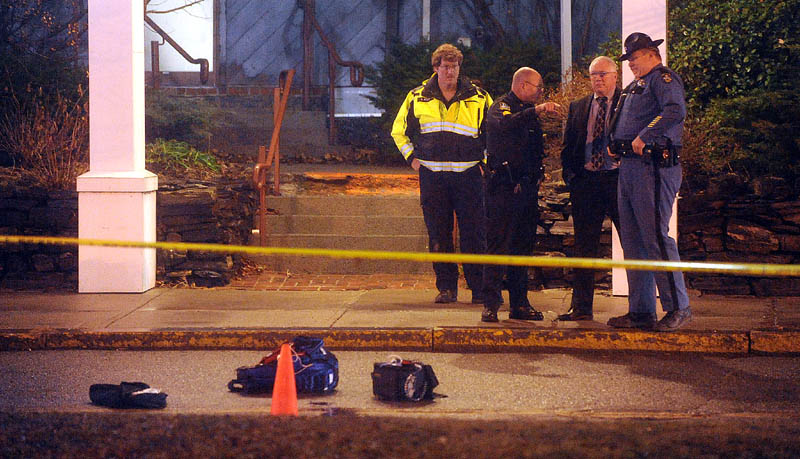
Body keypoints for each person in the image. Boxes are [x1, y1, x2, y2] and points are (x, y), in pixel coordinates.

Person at [391, 43, 492, 304]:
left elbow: (495, 132)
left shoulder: (479, 97)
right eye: (445, 67)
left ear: (460, 68)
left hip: (468, 176)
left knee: (474, 234)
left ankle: (479, 289)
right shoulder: (417, 96)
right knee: (438, 234)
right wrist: (412, 158)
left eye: (454, 66)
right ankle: (446, 288)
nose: (450, 72)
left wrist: (484, 161)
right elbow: (398, 131)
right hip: (433, 177)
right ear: (436, 68)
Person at [607, 32, 692, 331]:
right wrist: (613, 141)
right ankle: (641, 311)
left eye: (634, 56)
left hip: (653, 167)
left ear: (651, 53)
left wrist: (644, 136)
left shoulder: (663, 78)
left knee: (655, 237)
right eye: (628, 58)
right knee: (633, 243)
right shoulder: (637, 84)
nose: (630, 62)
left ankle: (678, 307)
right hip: (630, 168)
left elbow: (674, 111)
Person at [480, 67, 562, 322]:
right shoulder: (501, 106)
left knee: (522, 249)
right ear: (523, 85)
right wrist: (535, 110)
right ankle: (490, 305)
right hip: (503, 189)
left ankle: (519, 305)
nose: (540, 93)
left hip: (526, 190)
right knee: (497, 247)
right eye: (537, 87)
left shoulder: (527, 114)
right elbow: (504, 125)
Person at [558, 56, 621, 321]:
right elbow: (569, 145)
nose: (598, 79)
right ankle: (581, 307)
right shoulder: (579, 106)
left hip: (618, 181)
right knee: (584, 247)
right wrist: (572, 177)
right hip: (586, 183)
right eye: (594, 74)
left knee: (632, 243)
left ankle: (643, 308)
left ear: (615, 77)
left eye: (603, 74)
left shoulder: (627, 103)